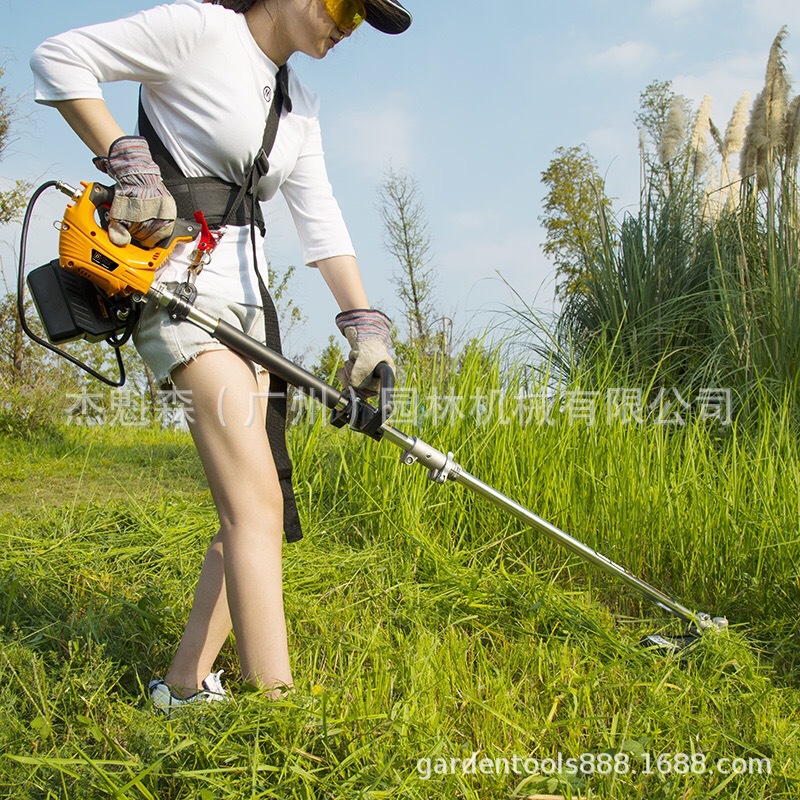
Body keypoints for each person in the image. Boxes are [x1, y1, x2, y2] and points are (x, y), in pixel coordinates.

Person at [30, 0, 411, 713]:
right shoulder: (201, 29)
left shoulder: (300, 99)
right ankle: (280, 713)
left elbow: (318, 211)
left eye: (361, 21)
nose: (345, 27)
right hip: (176, 292)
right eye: (344, 7)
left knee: (256, 502)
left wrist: (364, 327)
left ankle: (181, 687)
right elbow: (57, 55)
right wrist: (127, 157)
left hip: (248, 304)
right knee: (255, 505)